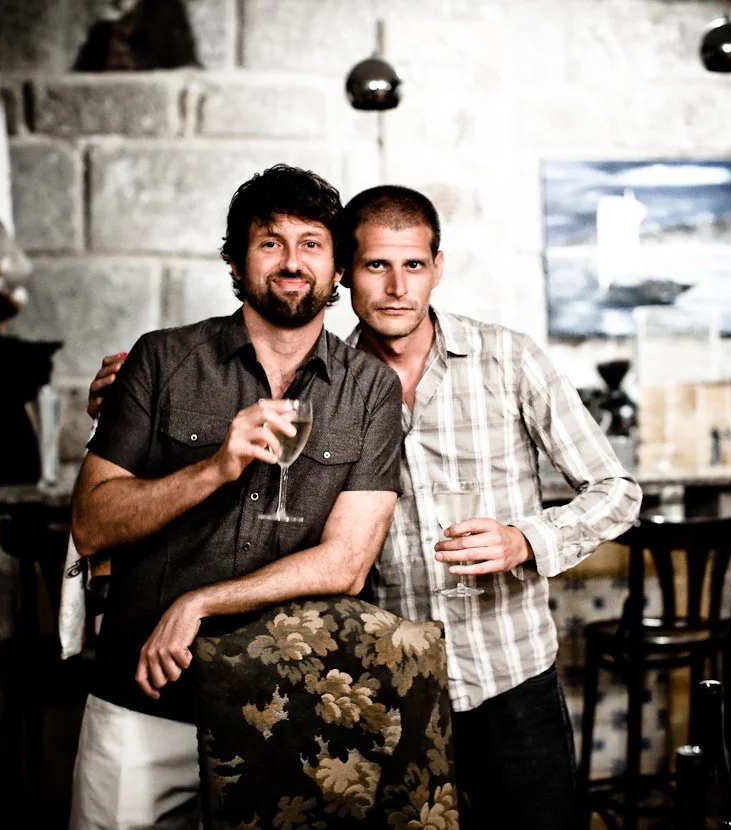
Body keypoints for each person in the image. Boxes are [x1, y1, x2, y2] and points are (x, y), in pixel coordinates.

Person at [88, 184, 643, 830]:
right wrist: (129, 401)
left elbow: (617, 491)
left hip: (509, 676)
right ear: (346, 274)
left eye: (414, 265)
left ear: (438, 267)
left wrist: (525, 541)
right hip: (388, 688)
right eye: (377, 265)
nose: (397, 287)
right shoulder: (325, 381)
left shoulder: (509, 360)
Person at [69, 165, 403, 830]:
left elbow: (347, 563)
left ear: (337, 269)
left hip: (284, 705)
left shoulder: (369, 390)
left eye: (312, 244)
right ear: (234, 262)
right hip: (143, 699)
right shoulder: (160, 361)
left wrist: (200, 602)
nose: (292, 262)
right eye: (270, 243)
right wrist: (215, 468)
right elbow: (91, 523)